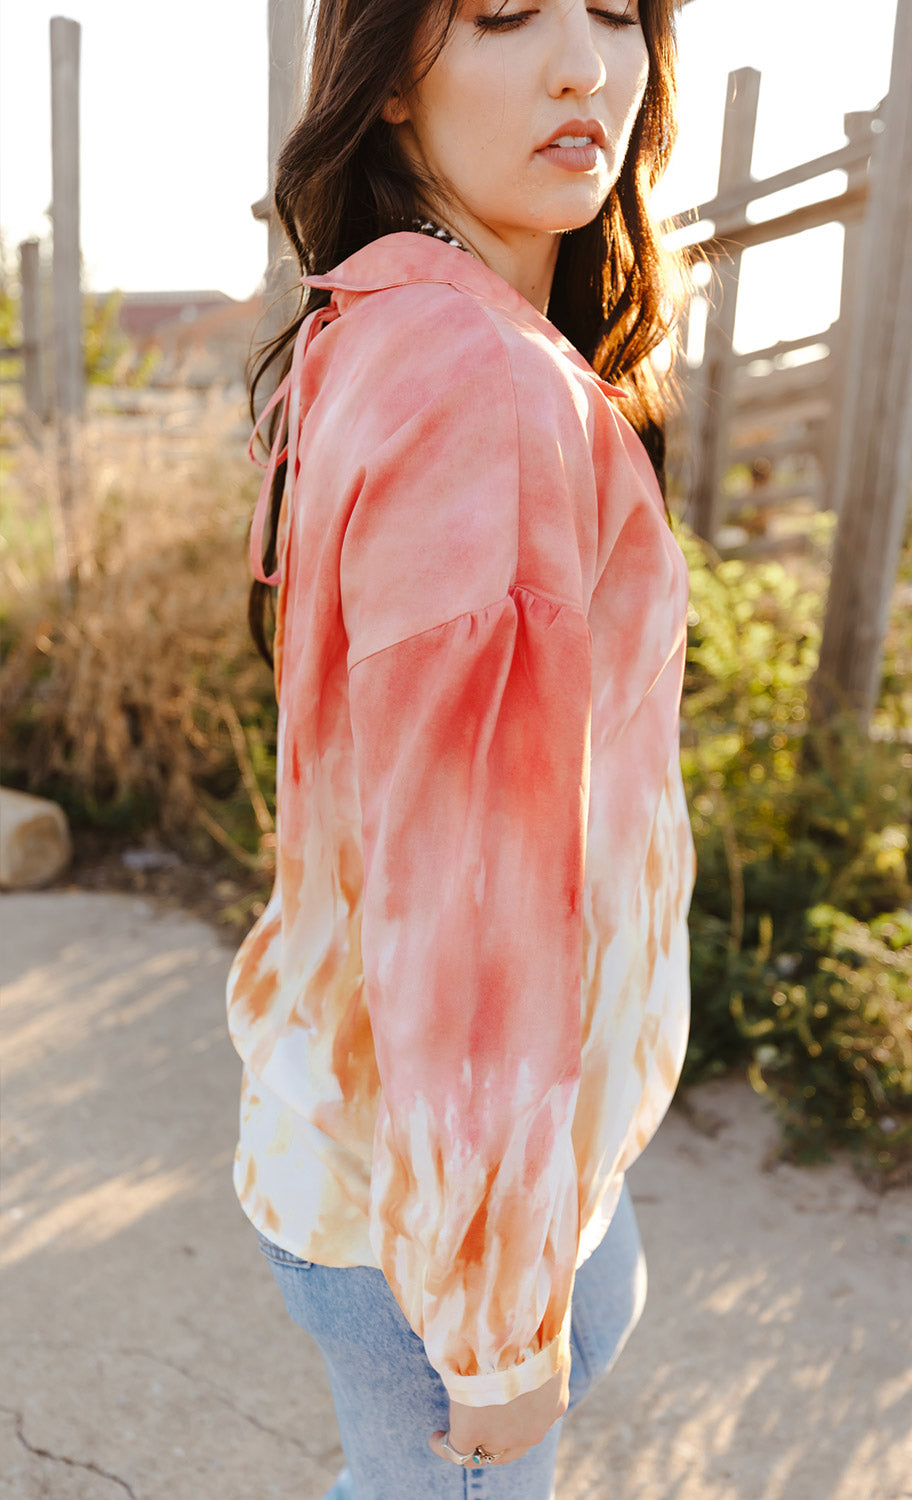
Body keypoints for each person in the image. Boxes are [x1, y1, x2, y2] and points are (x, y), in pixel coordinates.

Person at [226, 0, 695, 1493]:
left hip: (399, 1158)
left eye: (616, 13)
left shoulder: (381, 315)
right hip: (427, 1226)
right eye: (502, 15)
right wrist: (497, 1330)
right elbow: (470, 914)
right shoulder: (482, 387)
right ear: (384, 92)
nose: (585, 67)